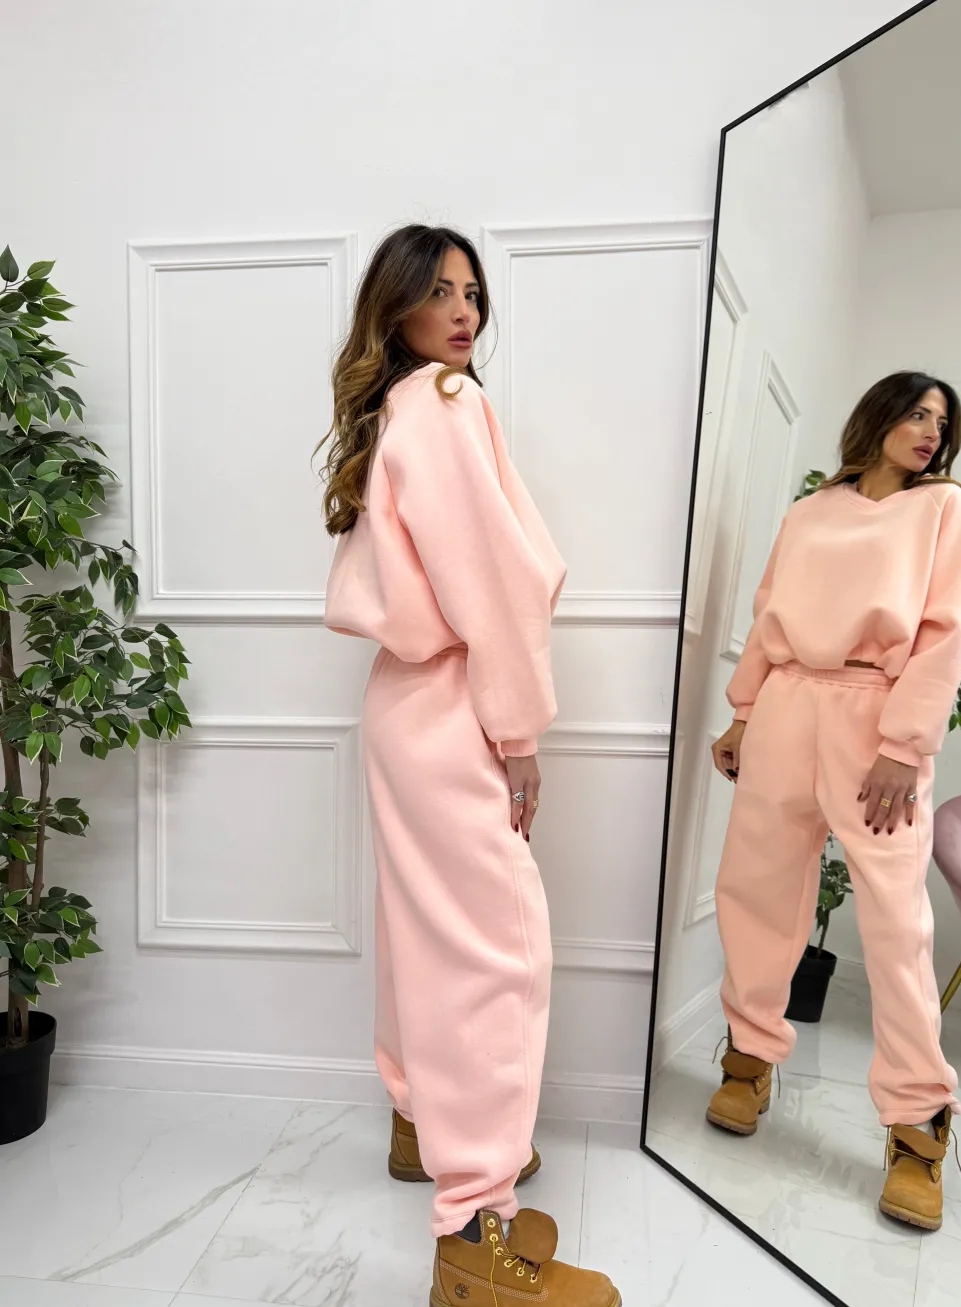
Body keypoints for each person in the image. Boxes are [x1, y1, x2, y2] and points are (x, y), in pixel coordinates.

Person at [321, 224, 621, 1306]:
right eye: (439, 291)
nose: (463, 311)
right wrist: (518, 733)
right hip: (452, 704)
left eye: (473, 293)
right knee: (499, 951)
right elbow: (489, 580)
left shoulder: (397, 410)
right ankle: (474, 1236)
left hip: (404, 703)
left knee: (428, 933)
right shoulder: (447, 403)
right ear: (395, 305)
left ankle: (422, 1124)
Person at [706, 372, 961, 1232]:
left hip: (876, 714)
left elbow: (944, 630)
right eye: (916, 412)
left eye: (942, 421)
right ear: (878, 416)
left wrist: (904, 744)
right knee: (756, 889)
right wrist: (743, 712)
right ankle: (749, 1056)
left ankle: (917, 1123)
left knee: (896, 923)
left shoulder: (945, 508)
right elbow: (769, 612)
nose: (930, 430)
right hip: (788, 700)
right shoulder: (813, 511)